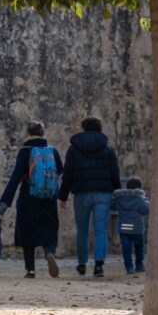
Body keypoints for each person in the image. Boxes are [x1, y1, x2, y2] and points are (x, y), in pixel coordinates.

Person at [57, 117, 121, 277]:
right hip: (103, 193)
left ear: (83, 128)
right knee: (100, 230)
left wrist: (62, 196)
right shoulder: (107, 149)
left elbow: (68, 174)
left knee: (82, 230)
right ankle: (99, 265)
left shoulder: (73, 149)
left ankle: (81, 264)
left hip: (81, 192)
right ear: (99, 128)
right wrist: (117, 191)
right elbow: (115, 173)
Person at [0, 121, 63, 279]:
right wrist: (62, 196)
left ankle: (30, 269)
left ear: (27, 133)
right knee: (49, 227)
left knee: (27, 231)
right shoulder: (52, 151)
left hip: (28, 197)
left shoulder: (25, 152)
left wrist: (5, 201)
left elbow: (16, 177)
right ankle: (49, 252)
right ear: (42, 133)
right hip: (49, 198)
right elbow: (60, 171)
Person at [111, 177, 149, 274]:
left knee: (126, 248)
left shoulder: (120, 199)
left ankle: (129, 267)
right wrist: (146, 201)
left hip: (124, 228)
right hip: (136, 228)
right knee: (139, 247)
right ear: (139, 188)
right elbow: (146, 210)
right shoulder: (139, 199)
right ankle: (139, 265)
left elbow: (112, 206)